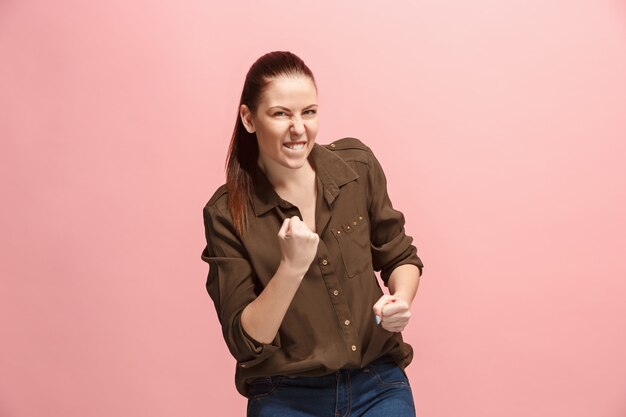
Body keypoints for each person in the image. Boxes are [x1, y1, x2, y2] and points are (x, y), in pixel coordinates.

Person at [200, 51, 424, 417]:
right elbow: (245, 341)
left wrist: (401, 298)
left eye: (309, 112)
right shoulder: (226, 214)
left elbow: (400, 257)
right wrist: (290, 268)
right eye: (281, 114)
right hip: (284, 395)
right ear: (249, 119)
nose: (298, 128)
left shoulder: (357, 168)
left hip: (377, 382)